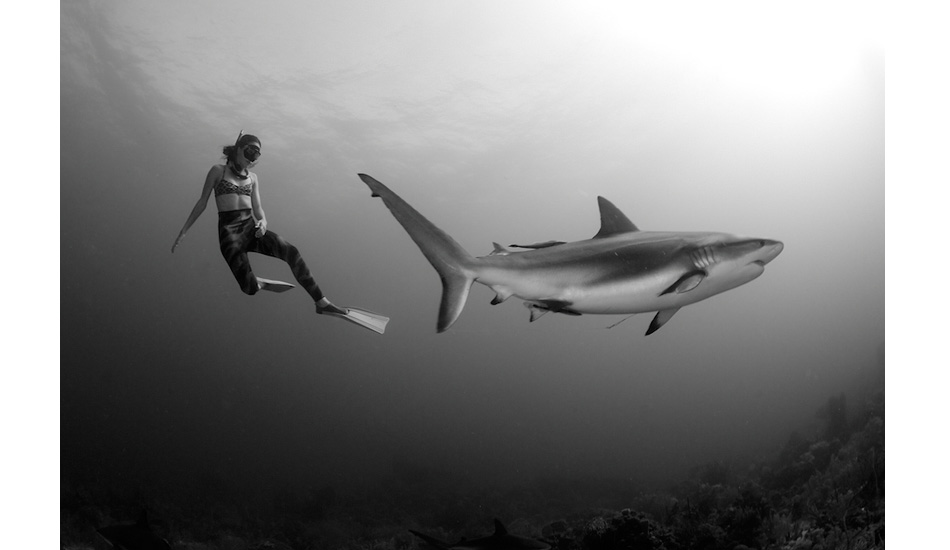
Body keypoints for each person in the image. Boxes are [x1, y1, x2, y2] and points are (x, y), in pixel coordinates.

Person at [172, 132, 346, 316]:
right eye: (250, 152)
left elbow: (258, 208)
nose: (252, 159)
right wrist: (184, 231)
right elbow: (202, 202)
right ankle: (259, 283)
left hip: (251, 230)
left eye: (256, 155)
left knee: (292, 252)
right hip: (229, 237)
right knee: (249, 289)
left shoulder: (253, 178)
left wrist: (263, 221)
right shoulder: (218, 171)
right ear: (238, 148)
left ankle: (322, 302)